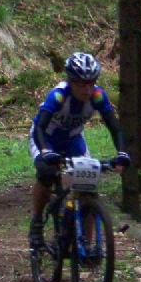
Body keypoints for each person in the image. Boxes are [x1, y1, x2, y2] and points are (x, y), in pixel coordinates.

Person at [28, 52, 130, 252]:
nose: (88, 89)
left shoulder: (98, 96)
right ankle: (38, 222)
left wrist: (122, 153)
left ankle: (86, 245)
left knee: (88, 186)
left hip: (73, 139)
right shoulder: (58, 95)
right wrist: (45, 151)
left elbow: (114, 127)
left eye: (92, 83)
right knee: (46, 174)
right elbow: (40, 127)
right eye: (82, 84)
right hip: (45, 137)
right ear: (71, 81)